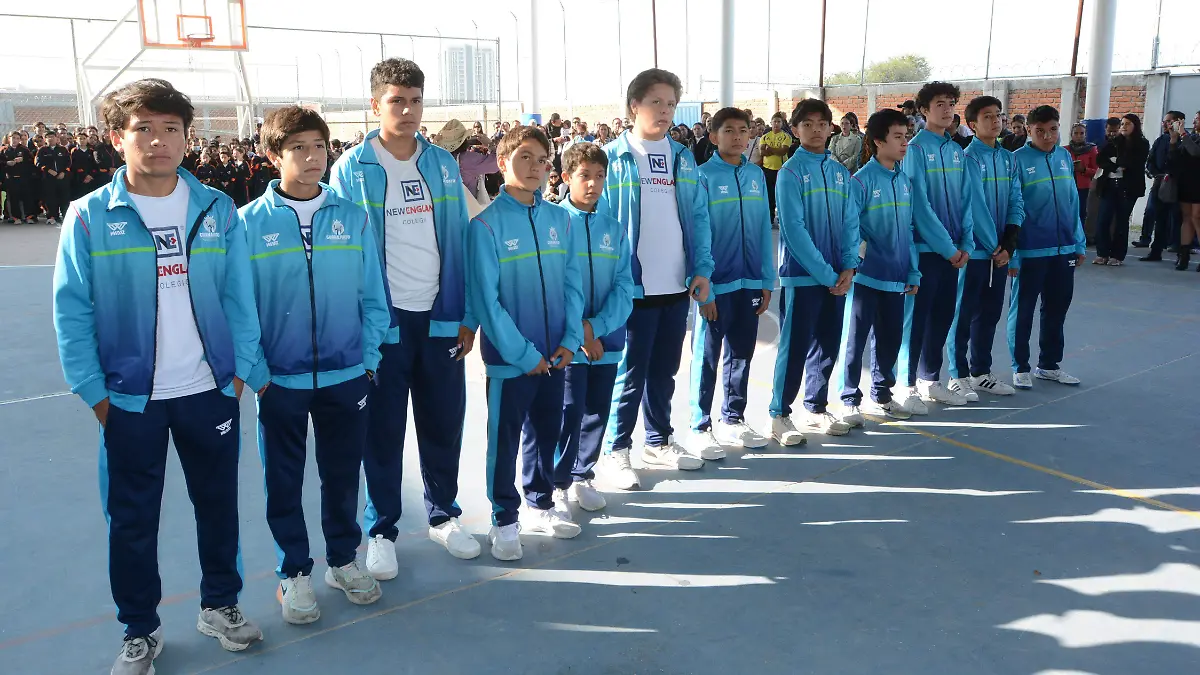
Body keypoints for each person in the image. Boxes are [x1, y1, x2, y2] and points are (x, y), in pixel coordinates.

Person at [52, 78, 265, 675]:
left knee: (218, 508)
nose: (159, 140)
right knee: (132, 520)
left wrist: (238, 374)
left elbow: (239, 297)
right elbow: (72, 311)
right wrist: (96, 394)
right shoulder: (91, 216)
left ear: (186, 136)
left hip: (209, 392)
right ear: (118, 138)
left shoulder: (217, 208)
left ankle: (220, 604)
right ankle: (139, 630)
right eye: (143, 127)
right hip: (130, 402)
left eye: (171, 128)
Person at [330, 58, 481, 573]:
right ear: (376, 105)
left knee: (443, 422)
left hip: (438, 316)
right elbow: (344, 252)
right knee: (383, 429)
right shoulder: (351, 168)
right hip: (384, 323)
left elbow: (459, 237)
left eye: (416, 100)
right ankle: (382, 530)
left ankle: (443, 517)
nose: (409, 110)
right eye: (398, 100)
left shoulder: (441, 163)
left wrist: (465, 312)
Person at [240, 105, 390, 624]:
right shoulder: (247, 225)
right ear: (273, 155)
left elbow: (374, 297)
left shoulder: (352, 217)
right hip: (280, 381)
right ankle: (294, 573)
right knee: (283, 481)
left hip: (347, 376)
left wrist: (367, 359)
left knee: (344, 475)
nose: (311, 158)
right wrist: (258, 375)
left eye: (319, 147)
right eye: (297, 148)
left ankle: (343, 560)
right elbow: (238, 309)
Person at [467, 125, 584, 560]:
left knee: (545, 431)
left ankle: (540, 503)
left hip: (556, 355)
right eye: (524, 158)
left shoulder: (559, 220)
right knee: (505, 439)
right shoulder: (485, 226)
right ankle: (504, 519)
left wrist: (570, 339)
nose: (535, 167)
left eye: (542, 159)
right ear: (502, 164)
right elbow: (487, 299)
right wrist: (523, 354)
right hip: (511, 362)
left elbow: (573, 286)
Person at [594, 68, 714, 490]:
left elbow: (698, 216)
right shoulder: (612, 158)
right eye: (655, 102)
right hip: (631, 287)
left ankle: (659, 440)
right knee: (629, 372)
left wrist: (702, 269)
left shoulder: (682, 157)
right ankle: (615, 449)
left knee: (664, 369)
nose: (664, 111)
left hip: (676, 283)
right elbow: (600, 223)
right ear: (634, 106)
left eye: (670, 104)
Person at [686, 107, 774, 458]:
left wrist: (767, 280)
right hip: (716, 285)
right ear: (713, 137)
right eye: (728, 130)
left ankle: (734, 418)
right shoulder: (702, 177)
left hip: (750, 283)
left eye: (743, 130)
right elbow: (695, 236)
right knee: (707, 357)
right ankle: (699, 426)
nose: (737, 136)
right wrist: (703, 287)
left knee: (742, 353)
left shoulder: (756, 175)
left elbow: (763, 230)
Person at [770, 99, 858, 442]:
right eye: (808, 124)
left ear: (831, 129)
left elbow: (851, 221)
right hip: (803, 277)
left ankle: (816, 407)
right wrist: (827, 274)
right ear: (795, 130)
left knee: (827, 343)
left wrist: (849, 265)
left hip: (838, 275)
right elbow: (794, 230)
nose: (817, 130)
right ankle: (779, 414)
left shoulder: (839, 173)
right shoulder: (790, 174)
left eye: (823, 124)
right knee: (794, 346)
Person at [552, 142, 633, 516]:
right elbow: (552, 288)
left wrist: (597, 328)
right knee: (567, 411)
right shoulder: (553, 224)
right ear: (567, 178)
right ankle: (558, 483)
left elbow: (624, 287)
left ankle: (583, 474)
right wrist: (581, 334)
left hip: (607, 341)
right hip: (569, 344)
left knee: (597, 410)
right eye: (584, 176)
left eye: (600, 176)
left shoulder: (613, 229)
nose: (593, 184)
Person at [838, 109, 920, 424]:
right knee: (856, 340)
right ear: (878, 141)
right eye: (898, 137)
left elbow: (909, 231)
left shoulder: (904, 182)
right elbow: (851, 230)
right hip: (867, 278)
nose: (904, 144)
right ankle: (849, 399)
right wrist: (854, 264)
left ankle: (882, 395)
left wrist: (912, 270)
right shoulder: (860, 182)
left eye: (906, 137)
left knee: (890, 339)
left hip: (897, 277)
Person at [899, 82, 974, 413]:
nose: (947, 109)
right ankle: (906, 384)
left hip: (954, 252)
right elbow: (919, 205)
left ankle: (931, 379)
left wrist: (966, 243)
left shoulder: (957, 150)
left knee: (943, 316)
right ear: (924, 110)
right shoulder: (914, 149)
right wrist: (947, 247)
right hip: (925, 251)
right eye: (939, 104)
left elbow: (966, 200)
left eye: (951, 103)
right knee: (917, 318)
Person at [949, 96, 1023, 400]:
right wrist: (996, 246)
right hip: (976, 253)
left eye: (998, 116)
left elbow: (1017, 201)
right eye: (987, 117)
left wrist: (1009, 245)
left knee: (990, 313)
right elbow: (974, 207)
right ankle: (958, 375)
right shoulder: (968, 159)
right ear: (972, 125)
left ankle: (981, 372)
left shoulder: (1008, 158)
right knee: (964, 313)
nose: (996, 121)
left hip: (999, 253)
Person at [1008, 105, 1085, 388]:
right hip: (1030, 251)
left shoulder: (1065, 156)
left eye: (1053, 130)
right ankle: (1020, 367)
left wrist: (1078, 242)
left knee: (1056, 309)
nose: (1047, 136)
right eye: (1040, 131)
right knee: (1024, 310)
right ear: (1029, 131)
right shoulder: (1016, 161)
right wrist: (1013, 254)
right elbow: (1011, 209)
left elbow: (1072, 203)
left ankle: (1049, 365)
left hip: (1063, 249)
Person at [1093, 114, 1149, 266]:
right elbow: (1100, 159)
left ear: (1135, 126)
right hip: (1109, 185)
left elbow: (1130, 162)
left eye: (1128, 124)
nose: (1123, 126)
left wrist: (1115, 161)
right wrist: (1115, 165)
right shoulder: (1114, 141)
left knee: (1121, 222)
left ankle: (1117, 255)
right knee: (1103, 220)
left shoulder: (1141, 143)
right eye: (1122, 123)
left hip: (1128, 187)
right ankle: (1102, 253)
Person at [1138, 111, 1185, 261]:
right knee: (1157, 215)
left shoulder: (1185, 140)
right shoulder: (1160, 140)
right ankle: (1155, 250)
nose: (1165, 124)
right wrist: (1154, 173)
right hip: (1160, 184)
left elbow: (1180, 163)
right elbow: (1151, 159)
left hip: (1178, 185)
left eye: (1169, 121)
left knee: (1178, 218)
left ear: (1179, 122)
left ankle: (1179, 250)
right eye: (1164, 121)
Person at [1169, 110, 1200, 271]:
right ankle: (1184, 255)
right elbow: (1177, 158)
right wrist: (1174, 140)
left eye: (1198, 120)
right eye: (1194, 119)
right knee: (1187, 217)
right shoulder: (1191, 137)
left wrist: (1182, 134)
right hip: (1187, 182)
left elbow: (1195, 152)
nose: (1194, 122)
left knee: (1197, 217)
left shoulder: (1189, 138)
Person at [1065, 123, 1098, 237]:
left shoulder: (1092, 149)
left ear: (1085, 135)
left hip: (1083, 187)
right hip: (1066, 187)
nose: (1079, 136)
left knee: (1081, 213)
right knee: (1066, 212)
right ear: (1071, 134)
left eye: (1082, 133)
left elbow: (1097, 171)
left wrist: (1084, 169)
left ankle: (1080, 237)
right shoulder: (1064, 150)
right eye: (1076, 133)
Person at [760, 112, 791, 221]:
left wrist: (770, 149)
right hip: (767, 169)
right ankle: (770, 217)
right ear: (771, 123)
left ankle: (781, 218)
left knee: (781, 195)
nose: (776, 124)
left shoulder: (786, 136)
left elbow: (783, 151)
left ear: (782, 123)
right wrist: (773, 150)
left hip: (781, 169)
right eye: (774, 122)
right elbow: (762, 152)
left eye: (779, 122)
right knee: (769, 195)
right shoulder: (765, 136)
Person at [35, 130, 71, 225]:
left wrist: (63, 172)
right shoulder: (42, 150)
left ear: (56, 138)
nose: (50, 139)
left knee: (64, 197)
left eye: (52, 136)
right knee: (50, 198)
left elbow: (69, 162)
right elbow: (38, 163)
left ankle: (65, 216)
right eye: (48, 137)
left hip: (62, 178)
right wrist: (48, 170)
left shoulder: (63, 150)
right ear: (45, 139)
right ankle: (52, 216)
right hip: (49, 178)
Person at [3, 132, 37, 223]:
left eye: (17, 138)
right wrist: (7, 163)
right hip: (11, 178)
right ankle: (15, 217)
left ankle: (29, 216)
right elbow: (1, 162)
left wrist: (23, 160)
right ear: (9, 138)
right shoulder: (4, 150)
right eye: (13, 138)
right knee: (13, 198)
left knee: (27, 197)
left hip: (24, 178)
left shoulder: (24, 150)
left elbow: (32, 161)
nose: (15, 140)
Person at [70, 131, 99, 200]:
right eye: (80, 139)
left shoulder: (91, 151)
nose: (82, 140)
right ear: (76, 140)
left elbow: (95, 165)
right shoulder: (74, 151)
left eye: (84, 138)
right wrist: (84, 175)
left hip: (91, 178)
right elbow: (74, 165)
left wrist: (91, 175)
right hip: (79, 179)